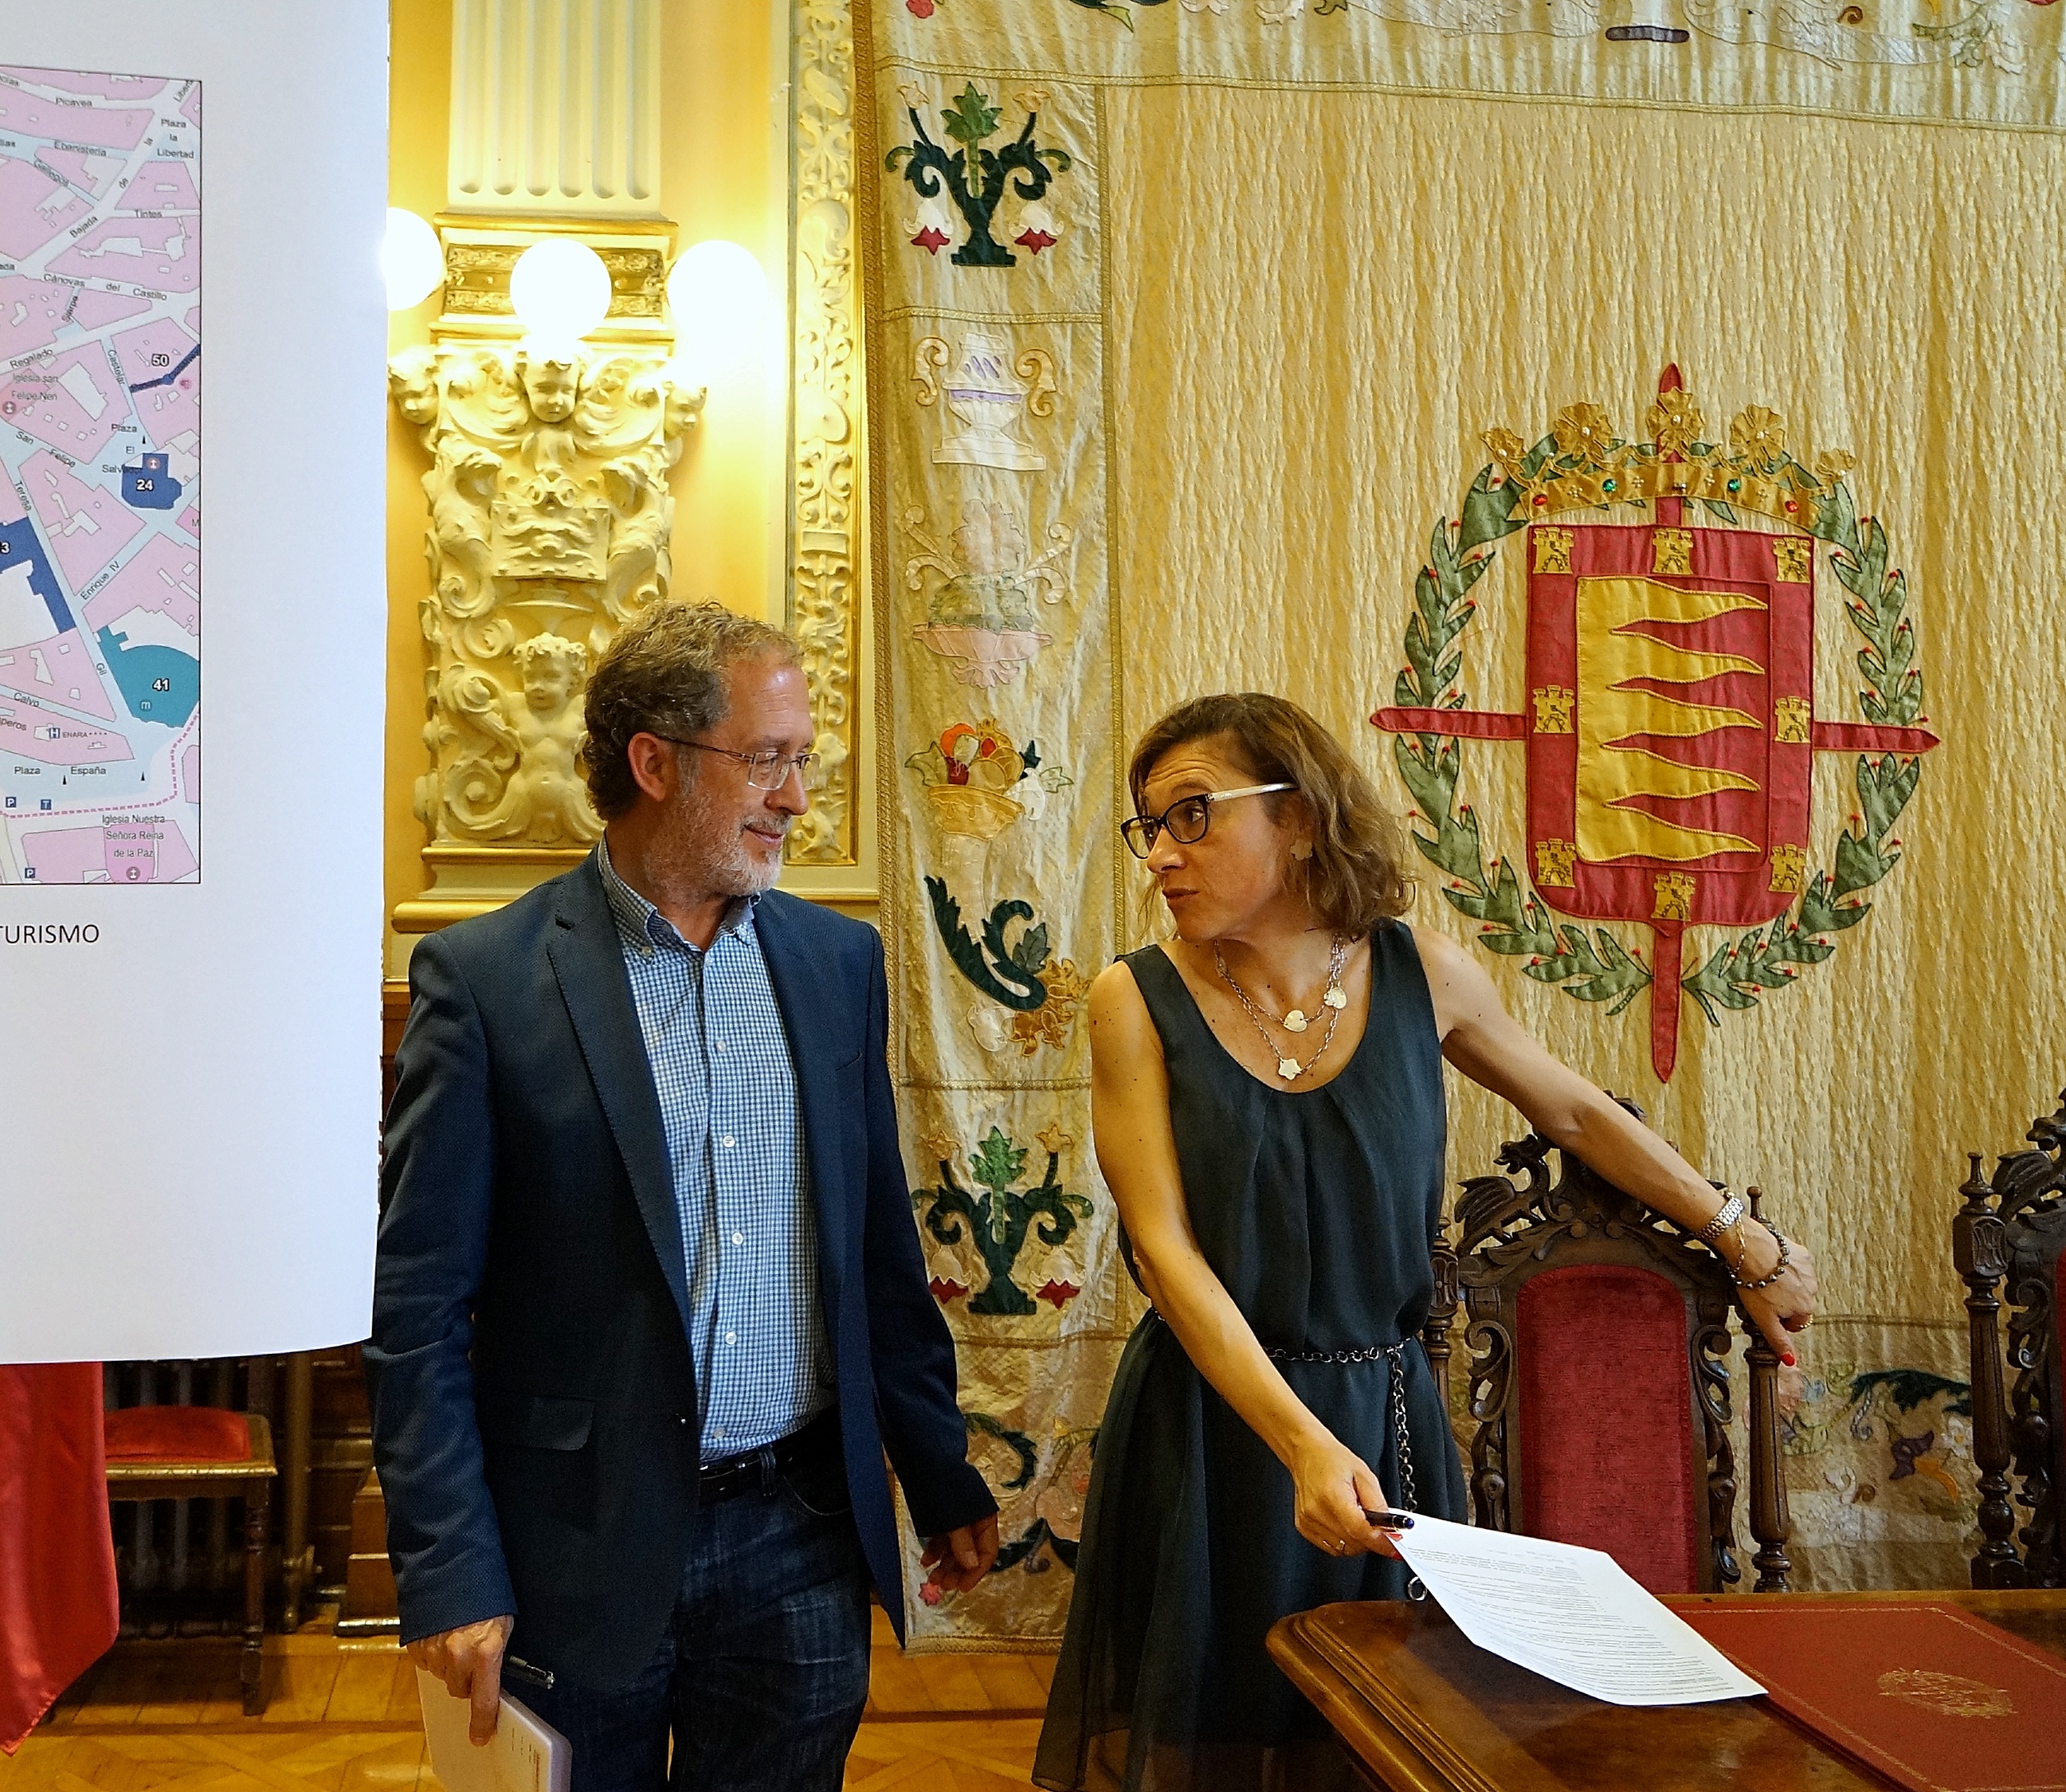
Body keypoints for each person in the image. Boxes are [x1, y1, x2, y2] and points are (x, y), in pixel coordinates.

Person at [1033, 692, 1818, 1792]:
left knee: (1391, 1741)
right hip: (1214, 1428)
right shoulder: (1133, 998)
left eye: (1191, 815)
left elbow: (1577, 1113)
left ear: (1299, 815)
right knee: (1214, 1745)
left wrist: (1742, 1240)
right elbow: (1164, 1255)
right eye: (1149, 827)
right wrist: (1302, 1446)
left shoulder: (1423, 972)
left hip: (1387, 1420)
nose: (1160, 853)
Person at [369, 600, 1002, 1792]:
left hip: (800, 1537)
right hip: (576, 1544)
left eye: (802, 760)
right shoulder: (487, 979)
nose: (796, 797)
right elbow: (418, 1311)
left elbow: (876, 1249)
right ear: (654, 763)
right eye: (765, 759)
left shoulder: (836, 965)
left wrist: (936, 1465)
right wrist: (450, 1567)